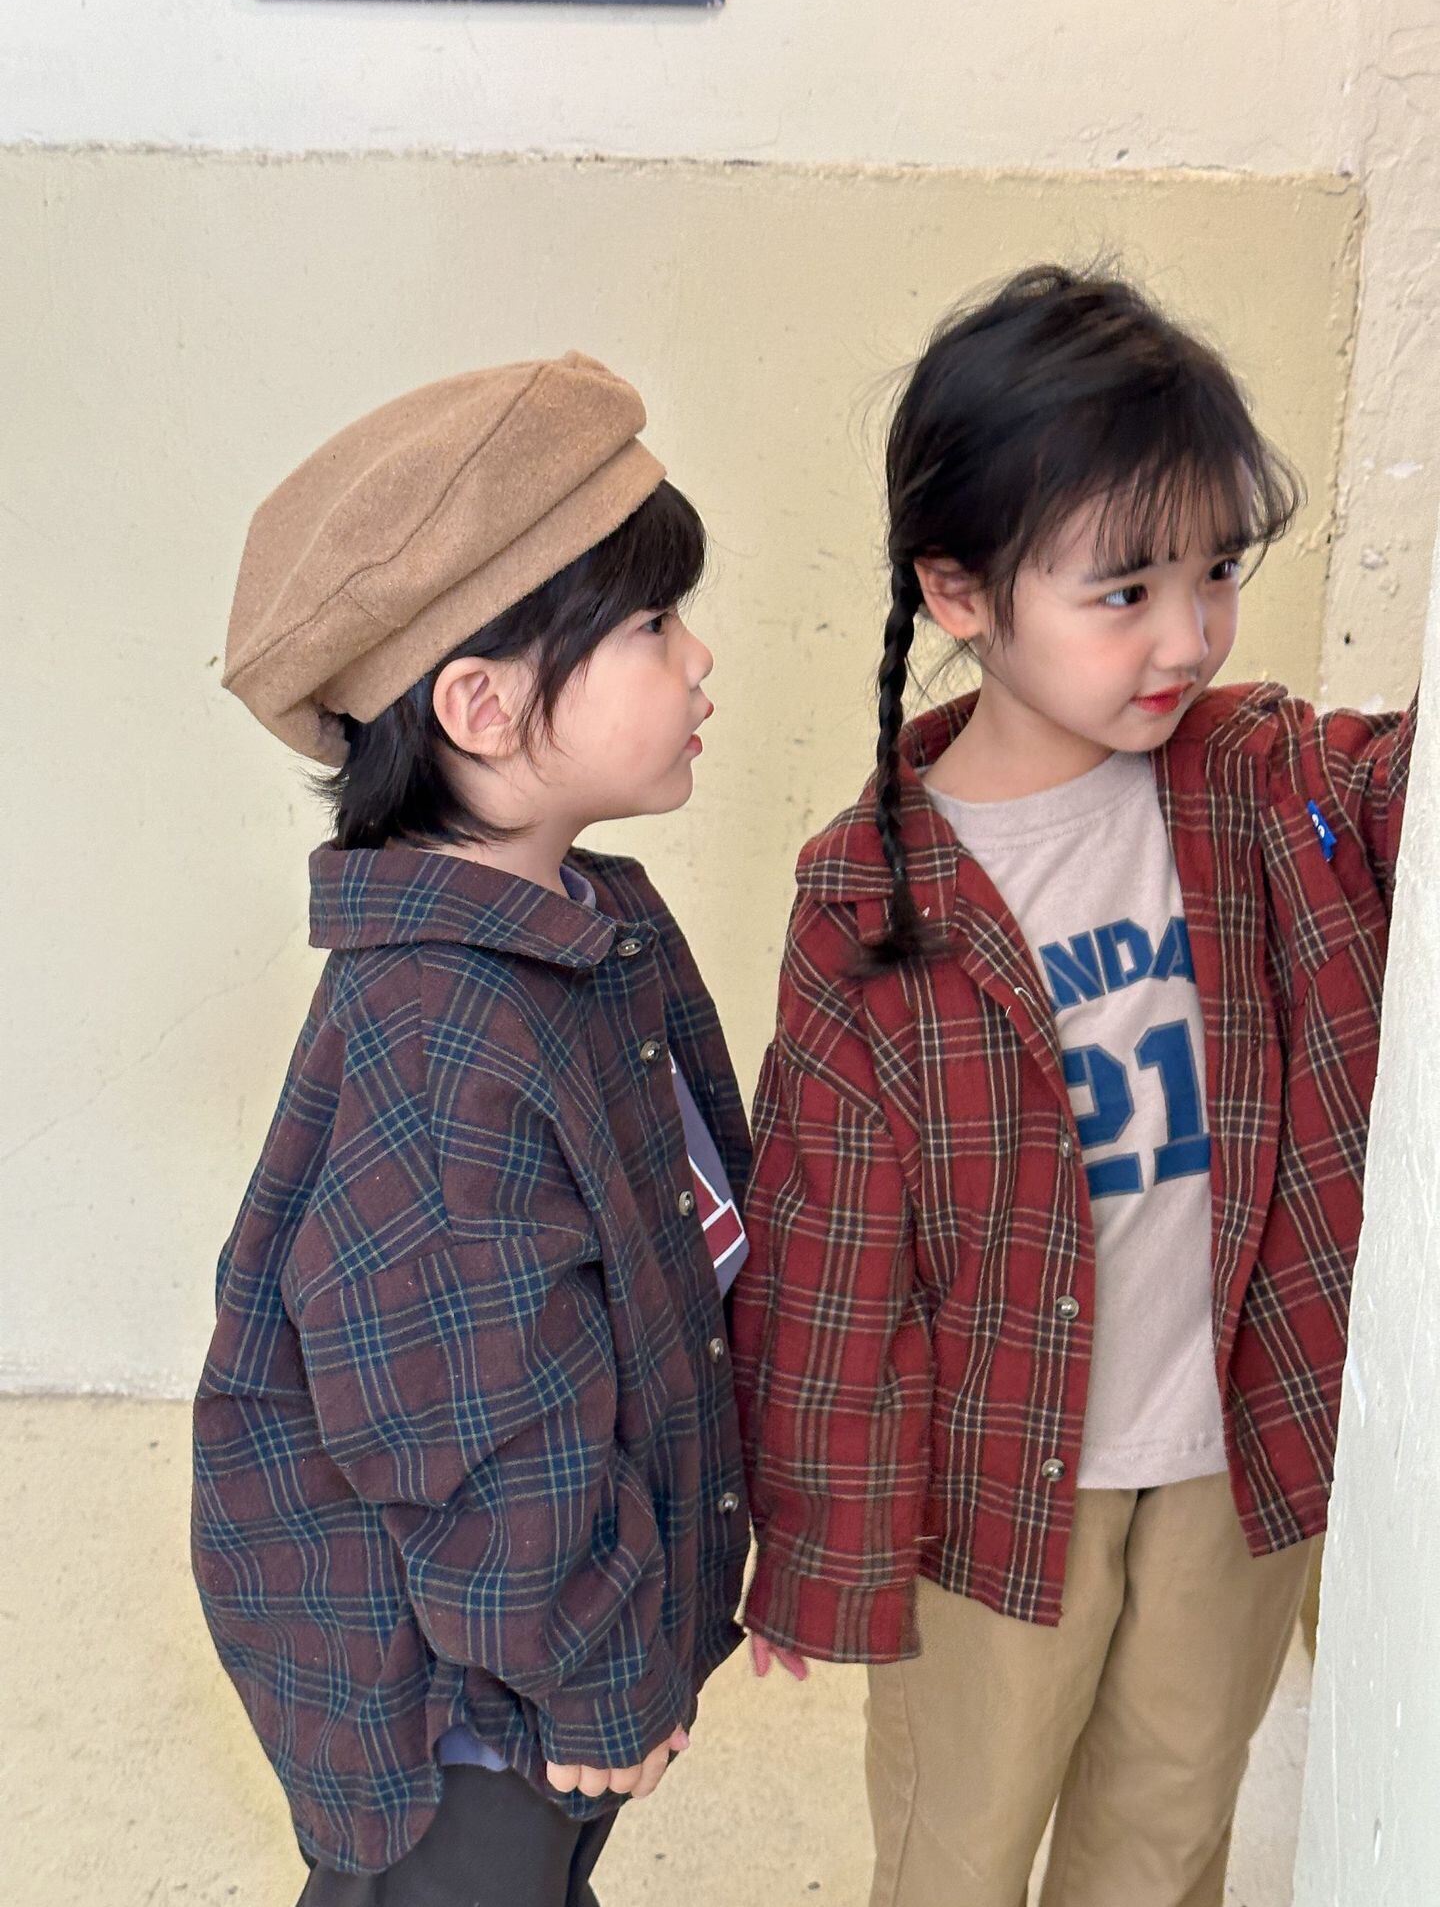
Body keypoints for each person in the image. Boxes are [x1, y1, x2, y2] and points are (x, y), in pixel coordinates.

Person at [729, 265, 1416, 1907]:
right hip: (993, 1486)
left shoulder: (1265, 785)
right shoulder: (870, 901)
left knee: (1168, 1833)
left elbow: (1412, 787)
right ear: (960, 591)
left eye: (1216, 572)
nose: (1187, 636)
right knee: (960, 1844)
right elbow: (826, 1252)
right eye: (1124, 590)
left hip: (1233, 1453)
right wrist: (816, 1546)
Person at [191, 353, 752, 1907]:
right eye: (653, 627)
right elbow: (476, 1431)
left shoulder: (588, 927)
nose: (699, 657)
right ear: (483, 706)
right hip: (463, 1709)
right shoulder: (444, 1035)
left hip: (539, 1654)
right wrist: (597, 1673)